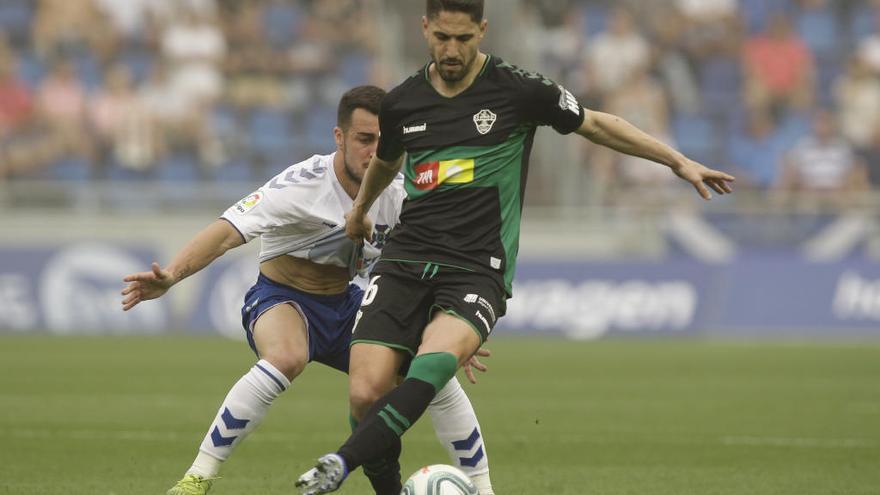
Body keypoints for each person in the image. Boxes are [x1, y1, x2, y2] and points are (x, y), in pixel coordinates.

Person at [295, 1, 735, 494]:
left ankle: (339, 462)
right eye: (442, 37)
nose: (452, 49)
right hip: (406, 258)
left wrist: (675, 161)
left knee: (433, 364)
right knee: (364, 392)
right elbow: (386, 162)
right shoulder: (402, 103)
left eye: (464, 38)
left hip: (477, 268)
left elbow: (595, 123)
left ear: (483, 30)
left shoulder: (521, 91)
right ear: (425, 30)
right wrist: (359, 212)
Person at [120, 85, 496, 495]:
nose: (374, 152)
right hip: (283, 298)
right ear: (339, 137)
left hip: (348, 302)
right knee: (287, 356)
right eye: (364, 139)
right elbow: (227, 231)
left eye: (384, 142)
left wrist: (452, 327)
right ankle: (198, 477)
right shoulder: (301, 185)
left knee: (433, 370)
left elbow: (436, 262)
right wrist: (173, 274)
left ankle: (482, 487)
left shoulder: (399, 195)